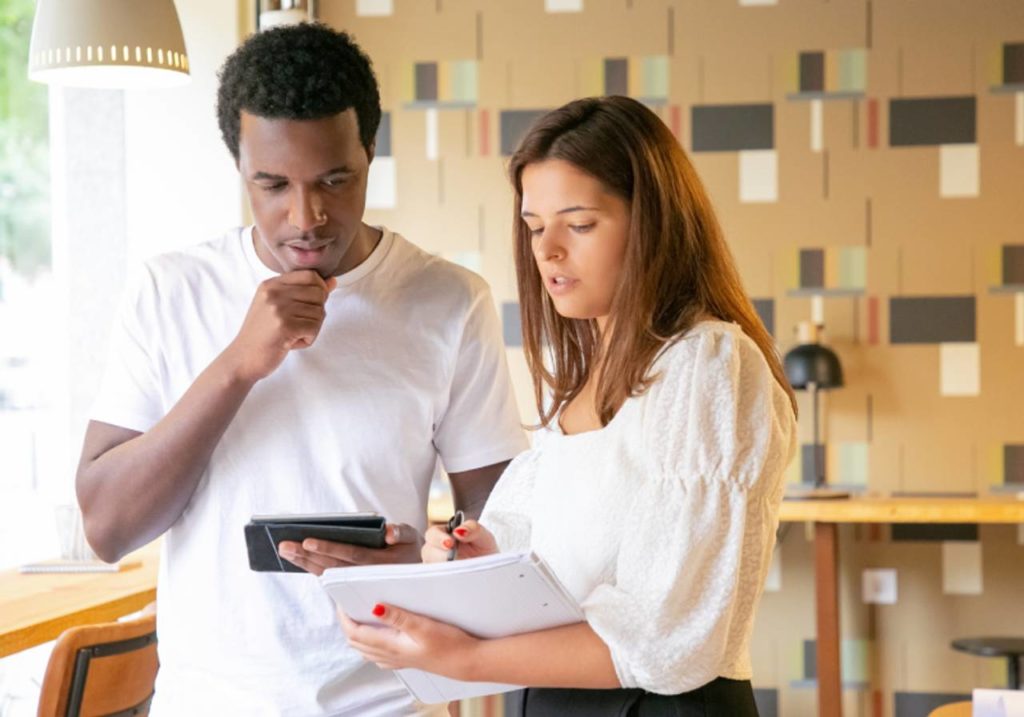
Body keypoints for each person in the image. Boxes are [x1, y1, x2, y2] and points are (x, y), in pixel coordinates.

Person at [75, 23, 527, 717]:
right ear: (239, 166)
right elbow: (106, 525)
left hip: (387, 704)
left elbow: (504, 539)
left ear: (369, 153)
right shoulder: (170, 292)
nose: (306, 215)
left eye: (334, 180)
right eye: (273, 183)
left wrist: (421, 564)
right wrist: (237, 365)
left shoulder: (449, 301)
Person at [340, 95, 798, 715]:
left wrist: (459, 659)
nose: (548, 250)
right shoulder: (575, 384)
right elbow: (552, 568)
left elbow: (666, 640)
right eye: (534, 227)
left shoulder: (708, 363)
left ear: (653, 222)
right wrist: (476, 557)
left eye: (579, 225)